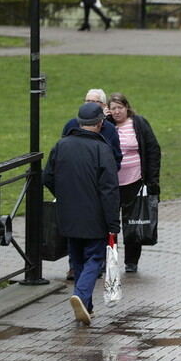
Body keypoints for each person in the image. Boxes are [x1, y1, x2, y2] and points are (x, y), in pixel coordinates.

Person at [43, 103, 120, 326]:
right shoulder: (102, 149)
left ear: (79, 122)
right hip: (94, 216)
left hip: (67, 214)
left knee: (77, 258)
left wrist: (65, 196)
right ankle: (81, 295)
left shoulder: (61, 145)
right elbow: (109, 190)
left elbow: (48, 177)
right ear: (100, 123)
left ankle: (86, 306)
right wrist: (113, 223)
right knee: (94, 258)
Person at [62, 88, 122, 281]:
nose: (89, 104)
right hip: (74, 194)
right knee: (76, 238)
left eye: (94, 102)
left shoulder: (109, 131)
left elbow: (116, 159)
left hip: (97, 193)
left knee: (95, 241)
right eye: (87, 100)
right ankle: (76, 270)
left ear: (103, 107)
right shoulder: (71, 127)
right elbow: (60, 162)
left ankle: (92, 273)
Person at [107, 92, 161, 274]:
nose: (117, 112)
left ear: (127, 107)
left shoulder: (139, 123)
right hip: (112, 184)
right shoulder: (106, 126)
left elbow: (153, 150)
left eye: (120, 108)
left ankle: (131, 262)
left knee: (132, 223)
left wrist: (153, 179)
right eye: (113, 109)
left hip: (135, 181)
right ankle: (108, 258)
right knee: (109, 224)